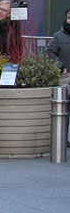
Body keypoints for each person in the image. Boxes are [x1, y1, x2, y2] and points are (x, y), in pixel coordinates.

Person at [46, 8, 70, 147]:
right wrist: (61, 66)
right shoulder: (58, 36)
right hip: (66, 80)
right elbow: (49, 53)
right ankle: (63, 139)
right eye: (69, 17)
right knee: (65, 110)